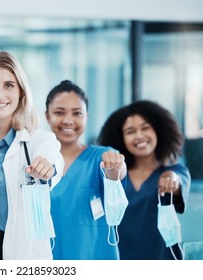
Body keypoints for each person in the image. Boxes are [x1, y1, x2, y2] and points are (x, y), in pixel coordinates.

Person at [0, 50, 64, 260]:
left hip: (21, 252)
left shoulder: (37, 142)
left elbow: (53, 160)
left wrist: (48, 166)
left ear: (21, 91)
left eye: (9, 85)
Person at [97, 99, 191, 260]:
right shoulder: (115, 175)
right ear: (121, 138)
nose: (139, 136)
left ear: (159, 131)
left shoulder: (175, 171)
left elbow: (175, 181)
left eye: (145, 128)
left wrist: (169, 179)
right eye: (130, 131)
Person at [45, 80, 127, 260]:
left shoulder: (102, 157)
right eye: (59, 112)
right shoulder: (38, 162)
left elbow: (117, 173)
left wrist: (115, 166)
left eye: (77, 113)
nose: (68, 120)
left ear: (86, 117)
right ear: (47, 116)